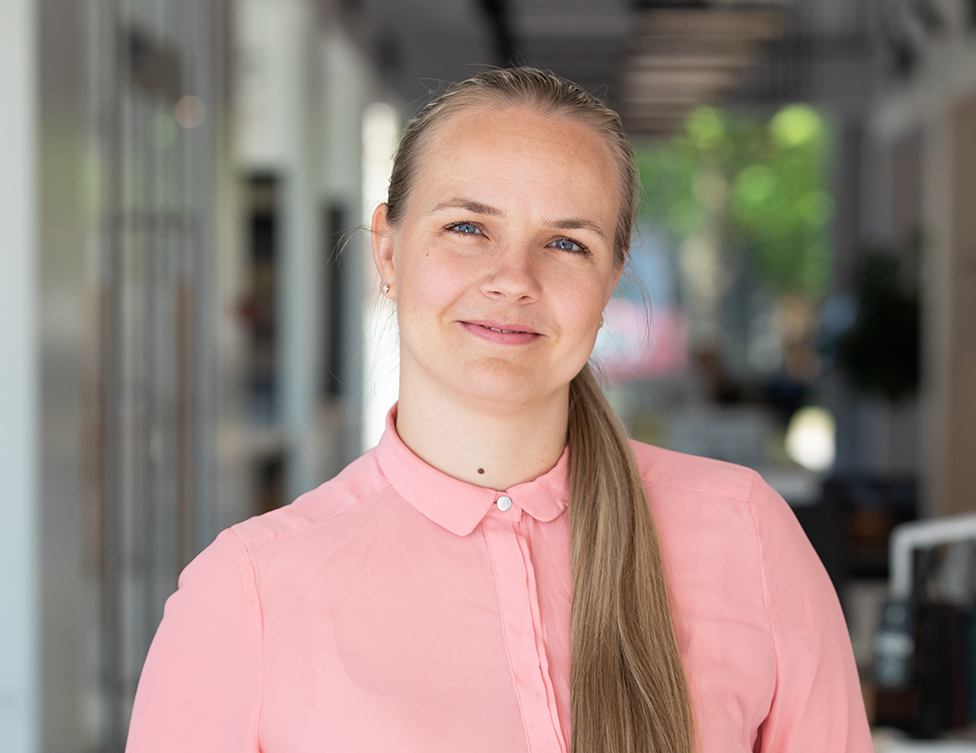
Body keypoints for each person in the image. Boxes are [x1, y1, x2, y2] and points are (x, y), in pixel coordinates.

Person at [125, 67, 873, 753]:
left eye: (566, 244)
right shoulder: (246, 595)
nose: (513, 278)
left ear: (612, 279)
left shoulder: (747, 534)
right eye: (467, 227)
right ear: (387, 251)